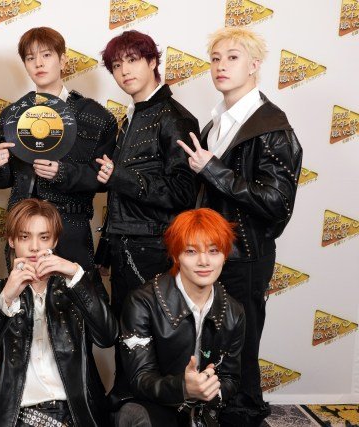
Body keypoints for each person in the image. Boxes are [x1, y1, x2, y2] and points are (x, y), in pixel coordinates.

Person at [177, 27, 302, 426]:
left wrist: (213, 169)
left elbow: (277, 203)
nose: (221, 66)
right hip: (213, 255)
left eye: (232, 57)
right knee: (213, 343)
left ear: (254, 65)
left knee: (242, 349)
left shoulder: (271, 125)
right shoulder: (217, 123)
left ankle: (246, 416)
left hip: (245, 256)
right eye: (215, 58)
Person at [97, 30, 199, 403]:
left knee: (156, 340)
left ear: (153, 61)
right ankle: (127, 406)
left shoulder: (174, 118)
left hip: (156, 250)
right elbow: (120, 197)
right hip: (125, 248)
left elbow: (184, 192)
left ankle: (152, 411)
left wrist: (121, 177)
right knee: (129, 338)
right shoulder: (133, 117)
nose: (125, 71)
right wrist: (106, 249)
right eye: (117, 65)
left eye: (133, 60)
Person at [0, 198, 118, 426]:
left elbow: (107, 337)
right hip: (17, 414)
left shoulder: (78, 284)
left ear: (55, 240)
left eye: (44, 237)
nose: (35, 247)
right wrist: (6, 299)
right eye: (24, 237)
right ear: (11, 240)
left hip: (76, 413)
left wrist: (76, 275)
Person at [0, 27, 117, 271]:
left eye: (46, 55)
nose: (39, 63)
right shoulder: (11, 116)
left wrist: (63, 173)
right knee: (25, 292)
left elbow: (104, 179)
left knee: (75, 292)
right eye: (30, 58)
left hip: (71, 226)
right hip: (23, 229)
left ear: (62, 60)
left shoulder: (97, 117)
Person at [115, 208, 245, 427]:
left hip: (204, 410)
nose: (204, 261)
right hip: (150, 407)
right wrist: (184, 387)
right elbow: (140, 378)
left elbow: (231, 378)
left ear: (225, 255)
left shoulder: (234, 311)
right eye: (191, 251)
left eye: (214, 251)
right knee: (136, 415)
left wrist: (210, 389)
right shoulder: (142, 302)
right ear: (176, 256)